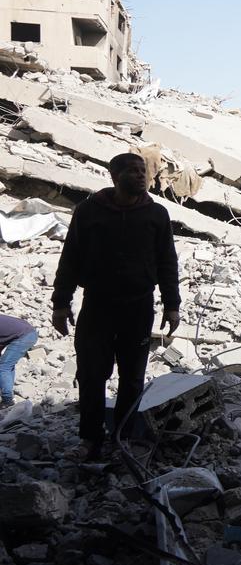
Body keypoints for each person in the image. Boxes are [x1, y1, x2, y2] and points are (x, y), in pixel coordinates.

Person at [52, 152, 180, 459]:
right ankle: (90, 439)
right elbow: (70, 259)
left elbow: (167, 263)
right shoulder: (89, 211)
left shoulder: (157, 214)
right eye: (133, 171)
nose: (141, 176)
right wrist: (61, 303)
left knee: (132, 376)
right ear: (115, 176)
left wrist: (171, 304)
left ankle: (123, 437)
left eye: (143, 171)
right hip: (97, 306)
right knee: (92, 374)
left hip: (138, 307)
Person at [0, 314, 37, 408]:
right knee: (7, 365)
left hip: (24, 335)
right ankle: (7, 394)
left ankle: (7, 400)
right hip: (27, 332)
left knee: (4, 366)